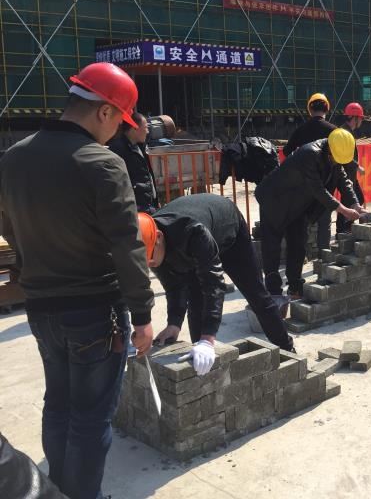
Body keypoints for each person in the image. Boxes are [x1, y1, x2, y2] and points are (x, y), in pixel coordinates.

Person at [0, 62, 154, 499]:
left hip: (41, 308)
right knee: (89, 419)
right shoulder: (101, 163)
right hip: (94, 311)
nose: (118, 131)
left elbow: (9, 226)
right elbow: (127, 246)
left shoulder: (14, 157)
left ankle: (56, 491)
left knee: (59, 406)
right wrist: (143, 314)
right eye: (119, 121)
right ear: (104, 111)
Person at [140, 194, 295, 366]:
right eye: (145, 262)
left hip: (229, 232)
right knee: (196, 302)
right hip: (195, 243)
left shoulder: (193, 232)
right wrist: (174, 324)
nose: (150, 264)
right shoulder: (147, 244)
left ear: (159, 237)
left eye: (150, 258)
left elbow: (214, 285)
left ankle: (288, 350)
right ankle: (201, 364)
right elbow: (173, 285)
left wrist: (208, 339)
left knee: (257, 296)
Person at [256, 129, 364, 307]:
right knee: (272, 248)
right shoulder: (309, 154)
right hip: (275, 200)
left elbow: (343, 180)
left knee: (298, 245)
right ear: (329, 148)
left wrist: (355, 204)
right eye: (336, 159)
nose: (337, 163)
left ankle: (295, 287)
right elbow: (318, 190)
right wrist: (344, 210)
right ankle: (273, 293)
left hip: (298, 204)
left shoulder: (335, 155)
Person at [283, 93, 338, 255]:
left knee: (304, 223)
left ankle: (303, 255)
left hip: (304, 183)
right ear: (326, 109)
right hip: (326, 183)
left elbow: (286, 151)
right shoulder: (334, 131)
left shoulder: (300, 130)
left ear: (310, 109)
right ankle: (324, 256)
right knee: (324, 221)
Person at [108, 111, 160, 213]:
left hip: (148, 206)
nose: (147, 131)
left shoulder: (140, 146)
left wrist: (155, 200)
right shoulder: (117, 150)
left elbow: (148, 176)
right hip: (133, 210)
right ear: (134, 128)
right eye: (146, 127)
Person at [336, 102, 367, 235]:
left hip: (350, 174)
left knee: (356, 198)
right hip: (345, 174)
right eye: (360, 118)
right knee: (350, 200)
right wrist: (357, 166)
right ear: (355, 118)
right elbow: (344, 155)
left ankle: (346, 228)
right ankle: (343, 230)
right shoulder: (344, 132)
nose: (361, 121)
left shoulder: (347, 131)